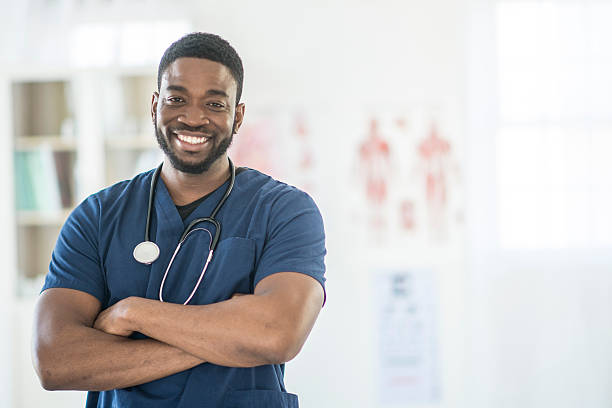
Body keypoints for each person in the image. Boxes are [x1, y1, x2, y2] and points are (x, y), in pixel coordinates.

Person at [32, 32, 326, 408]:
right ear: (155, 105)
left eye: (215, 103)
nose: (193, 117)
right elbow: (55, 362)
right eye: (177, 99)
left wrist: (131, 312)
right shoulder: (98, 216)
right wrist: (232, 335)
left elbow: (278, 335)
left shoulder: (285, 211)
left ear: (237, 116)